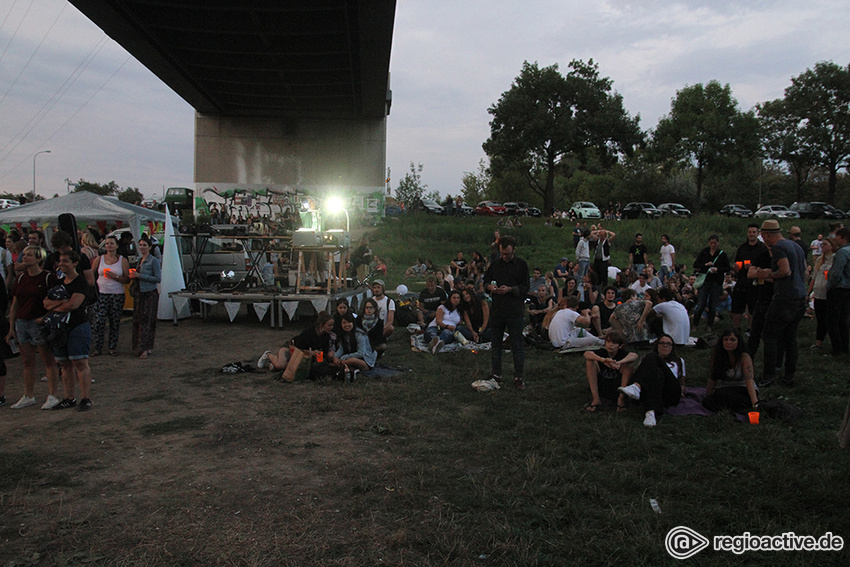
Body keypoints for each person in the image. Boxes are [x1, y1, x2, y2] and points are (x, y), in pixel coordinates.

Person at [5, 246, 61, 409]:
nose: (25, 257)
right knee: (27, 361)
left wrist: (45, 318)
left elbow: (55, 300)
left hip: (38, 322)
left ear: (39, 259)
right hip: (22, 321)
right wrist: (12, 327)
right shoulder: (21, 278)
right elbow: (15, 304)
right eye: (25, 255)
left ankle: (52, 395)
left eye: (29, 255)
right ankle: (28, 394)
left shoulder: (48, 278)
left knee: (47, 359)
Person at [753, 220, 807, 387]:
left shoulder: (778, 248)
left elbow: (784, 270)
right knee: (790, 337)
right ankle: (789, 375)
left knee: (769, 335)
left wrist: (767, 273)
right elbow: (804, 269)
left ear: (768, 235)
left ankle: (768, 376)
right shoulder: (795, 246)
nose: (764, 241)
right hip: (800, 297)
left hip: (784, 298)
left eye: (764, 237)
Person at [42, 250, 94, 411]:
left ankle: (85, 398)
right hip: (60, 327)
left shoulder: (80, 282)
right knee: (64, 364)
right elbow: (46, 303)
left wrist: (57, 305)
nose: (62, 264)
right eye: (60, 261)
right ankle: (69, 397)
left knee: (80, 362)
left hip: (77, 325)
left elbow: (74, 305)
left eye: (65, 261)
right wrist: (63, 302)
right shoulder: (58, 282)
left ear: (75, 263)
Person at [482, 235, 529, 390]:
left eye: (508, 254)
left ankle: (518, 377)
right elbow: (485, 282)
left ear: (513, 250)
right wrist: (490, 287)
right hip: (497, 310)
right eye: (502, 253)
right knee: (496, 345)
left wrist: (510, 289)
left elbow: (525, 288)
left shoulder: (521, 265)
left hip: (514, 310)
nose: (505, 256)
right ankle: (496, 374)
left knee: (517, 345)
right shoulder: (495, 264)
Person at [618, 333, 686, 426]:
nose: (665, 345)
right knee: (657, 373)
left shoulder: (679, 361)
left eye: (668, 343)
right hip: (653, 391)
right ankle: (650, 413)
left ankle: (636, 387)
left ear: (672, 347)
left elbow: (682, 381)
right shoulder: (647, 360)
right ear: (657, 345)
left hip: (670, 392)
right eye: (662, 343)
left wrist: (682, 390)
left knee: (653, 358)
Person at [702, 328, 759, 414]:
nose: (729, 342)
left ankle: (739, 408)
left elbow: (749, 381)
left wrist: (755, 404)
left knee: (722, 394)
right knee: (708, 401)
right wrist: (707, 396)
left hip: (743, 390)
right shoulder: (717, 355)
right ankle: (735, 409)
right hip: (724, 389)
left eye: (732, 340)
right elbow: (712, 378)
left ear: (738, 341)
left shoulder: (744, 356)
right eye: (726, 339)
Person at [91, 235, 130, 356]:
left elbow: (127, 279)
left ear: (117, 246)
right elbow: (91, 274)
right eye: (107, 243)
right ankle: (98, 347)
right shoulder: (99, 259)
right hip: (102, 293)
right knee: (99, 321)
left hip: (116, 294)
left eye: (112, 243)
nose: (109, 246)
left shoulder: (122, 260)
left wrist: (115, 277)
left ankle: (112, 347)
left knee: (114, 321)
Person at [259, 312, 338, 371]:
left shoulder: (326, 336)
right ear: (321, 325)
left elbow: (324, 352)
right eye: (329, 325)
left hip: (306, 356)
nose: (332, 327)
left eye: (332, 325)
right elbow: (296, 348)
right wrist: (311, 352)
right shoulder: (309, 332)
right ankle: (268, 355)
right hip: (292, 348)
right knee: (281, 365)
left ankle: (272, 364)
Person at [583, 330, 638, 412]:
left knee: (628, 364)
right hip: (602, 384)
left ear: (620, 345)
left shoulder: (622, 354)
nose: (611, 345)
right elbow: (587, 354)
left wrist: (619, 363)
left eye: (614, 343)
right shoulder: (602, 352)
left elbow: (634, 356)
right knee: (590, 361)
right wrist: (603, 360)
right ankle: (596, 399)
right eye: (608, 342)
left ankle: (621, 399)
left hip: (618, 385)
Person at [730, 224, 767, 333]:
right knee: (737, 305)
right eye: (750, 232)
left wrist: (752, 266)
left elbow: (765, 265)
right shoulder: (742, 247)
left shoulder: (762, 248)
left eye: (753, 232)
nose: (751, 234)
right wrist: (737, 266)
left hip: (755, 281)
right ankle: (736, 328)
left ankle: (751, 328)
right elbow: (737, 261)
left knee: (752, 306)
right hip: (742, 279)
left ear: (758, 233)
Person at [130, 236, 162, 359]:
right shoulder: (139, 260)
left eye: (144, 245)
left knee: (147, 320)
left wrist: (140, 275)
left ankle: (145, 347)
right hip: (139, 292)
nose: (142, 247)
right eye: (140, 245)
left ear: (149, 247)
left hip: (149, 292)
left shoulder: (153, 261)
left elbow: (157, 278)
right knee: (138, 319)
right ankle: (142, 346)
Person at [691, 234, 730, 332]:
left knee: (713, 305)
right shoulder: (704, 252)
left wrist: (718, 269)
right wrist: (705, 265)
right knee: (701, 304)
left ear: (718, 243)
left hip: (716, 281)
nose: (713, 245)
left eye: (715, 243)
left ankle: (709, 325)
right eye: (711, 243)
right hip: (705, 280)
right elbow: (696, 264)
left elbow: (727, 267)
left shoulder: (721, 254)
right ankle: (695, 324)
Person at [826, 227, 850, 355]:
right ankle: (845, 348)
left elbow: (836, 272)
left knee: (833, 320)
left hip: (839, 288)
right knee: (843, 320)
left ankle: (837, 349)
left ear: (844, 237)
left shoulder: (842, 252)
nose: (834, 238)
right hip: (848, 289)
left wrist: (829, 285)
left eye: (837, 236)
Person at [809, 238, 836, 350]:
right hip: (818, 292)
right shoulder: (820, 259)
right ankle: (818, 343)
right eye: (821, 245)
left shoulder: (835, 259)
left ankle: (834, 343)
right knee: (820, 319)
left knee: (830, 319)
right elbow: (814, 277)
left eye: (825, 244)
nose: (822, 246)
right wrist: (809, 292)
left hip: (829, 293)